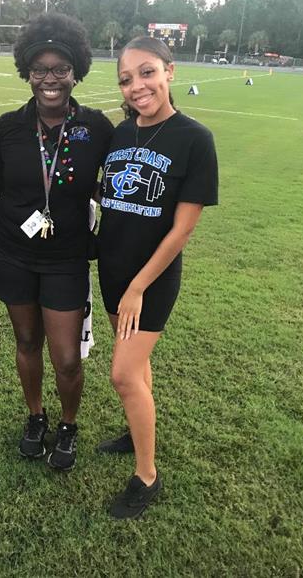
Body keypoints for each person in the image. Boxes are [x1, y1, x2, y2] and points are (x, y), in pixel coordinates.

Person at [97, 36, 218, 519]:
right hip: (112, 271)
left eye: (146, 72)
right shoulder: (121, 134)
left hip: (150, 280)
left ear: (169, 71)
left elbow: (182, 228)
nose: (137, 86)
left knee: (123, 374)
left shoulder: (194, 138)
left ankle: (147, 476)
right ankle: (135, 430)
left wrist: (137, 287)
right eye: (126, 79)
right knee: (137, 368)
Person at [0, 13, 114, 471]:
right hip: (13, 253)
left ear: (75, 71)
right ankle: (35, 416)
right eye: (39, 69)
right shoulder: (6, 128)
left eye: (60, 69)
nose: (49, 79)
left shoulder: (97, 128)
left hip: (66, 259)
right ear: (26, 72)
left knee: (65, 358)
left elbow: (117, 181)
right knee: (26, 341)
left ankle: (67, 424)